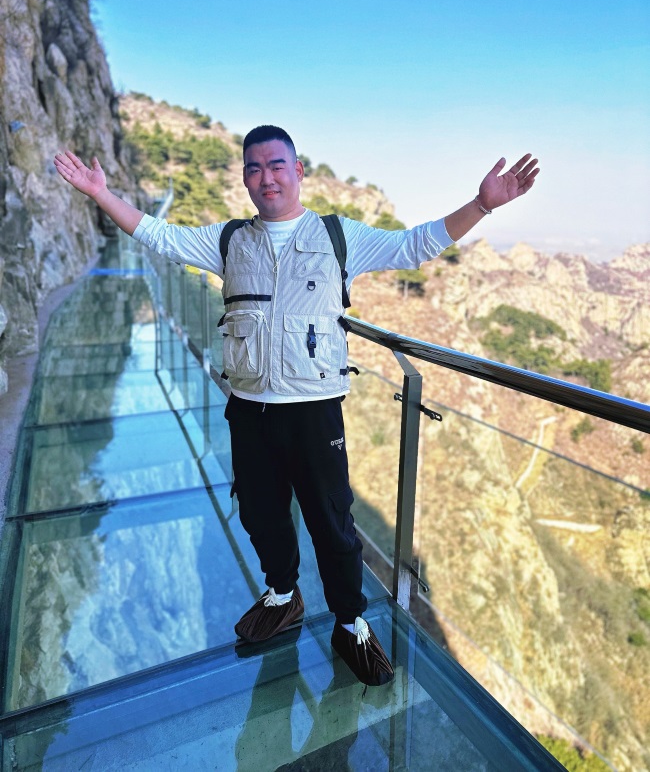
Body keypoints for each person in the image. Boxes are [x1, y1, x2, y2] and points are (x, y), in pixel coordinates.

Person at [54, 127, 539, 686]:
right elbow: (159, 236)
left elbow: (413, 246)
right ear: (245, 178)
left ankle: (350, 622)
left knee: (331, 521)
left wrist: (481, 204)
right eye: (254, 168)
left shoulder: (337, 235)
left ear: (298, 170)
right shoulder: (229, 240)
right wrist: (101, 194)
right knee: (260, 512)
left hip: (313, 410)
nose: (267, 177)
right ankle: (283, 595)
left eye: (277, 165)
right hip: (248, 406)